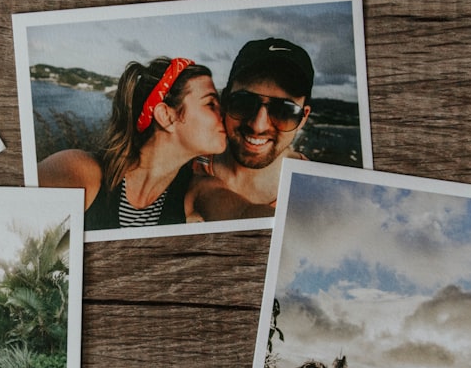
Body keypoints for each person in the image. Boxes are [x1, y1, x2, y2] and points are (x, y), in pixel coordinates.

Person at [37, 57, 227, 230]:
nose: (224, 114)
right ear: (166, 116)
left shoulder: (192, 193)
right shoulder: (80, 173)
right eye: (211, 104)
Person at [187, 38, 314, 219]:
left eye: (283, 111)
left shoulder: (313, 194)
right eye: (243, 103)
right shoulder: (186, 162)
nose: (258, 125)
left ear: (303, 118)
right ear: (225, 100)